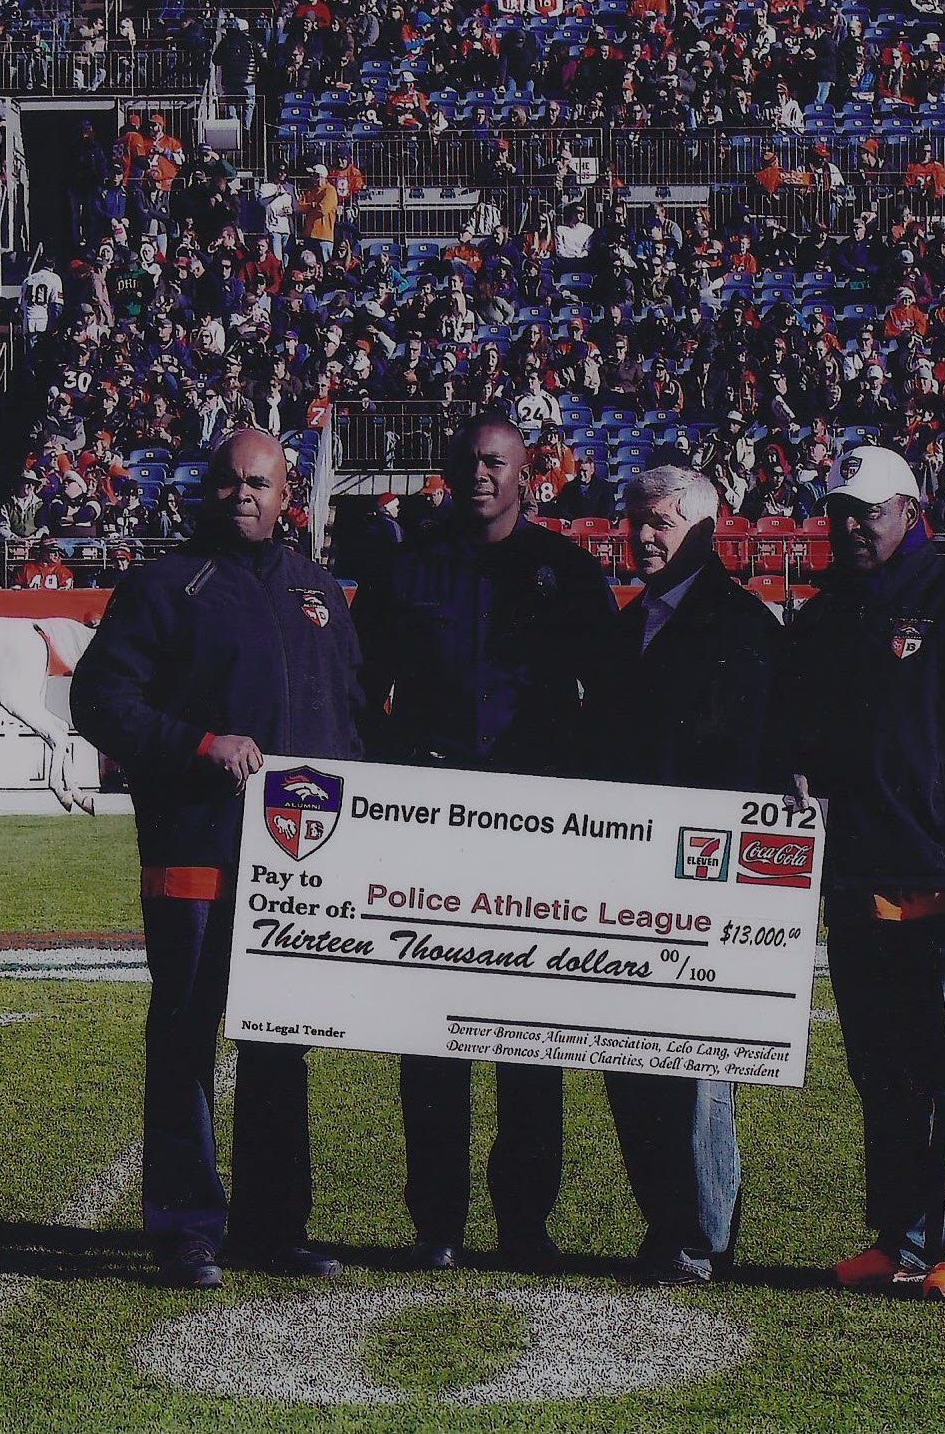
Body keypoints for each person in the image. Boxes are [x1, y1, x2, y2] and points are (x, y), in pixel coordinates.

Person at [71, 430, 365, 1287]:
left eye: (260, 483)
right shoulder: (166, 584)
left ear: (287, 498)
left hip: (300, 863)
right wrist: (199, 743)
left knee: (282, 1039)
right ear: (209, 491)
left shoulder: (318, 590)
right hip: (195, 852)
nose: (244, 494)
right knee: (186, 1035)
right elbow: (100, 700)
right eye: (230, 481)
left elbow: (350, 712)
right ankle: (187, 1227)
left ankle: (276, 1226)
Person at [768, 446, 945, 1304]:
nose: (851, 525)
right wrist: (795, 769)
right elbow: (795, 734)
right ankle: (898, 1237)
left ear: (912, 509)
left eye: (869, 510)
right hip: (859, 879)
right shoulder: (820, 618)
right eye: (839, 511)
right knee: (885, 1068)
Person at [351, 412, 617, 1271]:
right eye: (467, 461)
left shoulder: (568, 574)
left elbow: (610, 696)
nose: (480, 475)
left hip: (536, 830)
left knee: (528, 1038)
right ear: (447, 468)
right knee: (430, 1035)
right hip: (430, 822)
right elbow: (364, 694)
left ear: (526, 472)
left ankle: (525, 1221)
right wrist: (398, 787)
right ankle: (436, 1221)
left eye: (497, 462)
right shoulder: (400, 571)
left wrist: (570, 798)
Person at [592, 465, 782, 1286]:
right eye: (636, 521)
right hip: (627, 878)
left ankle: (702, 1235)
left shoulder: (744, 625)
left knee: (699, 1066)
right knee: (630, 1056)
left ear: (705, 527)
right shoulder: (629, 623)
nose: (644, 536)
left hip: (704, 884)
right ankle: (669, 1222)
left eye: (661, 522)